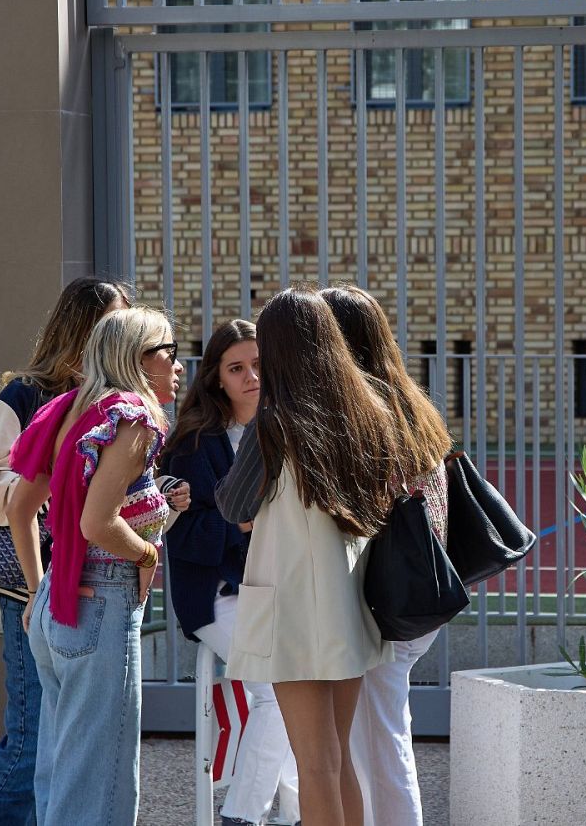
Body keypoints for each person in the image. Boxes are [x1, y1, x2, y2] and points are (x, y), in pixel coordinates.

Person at [216, 287, 403, 826]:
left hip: (291, 606)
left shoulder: (273, 423)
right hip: (349, 601)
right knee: (338, 759)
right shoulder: (371, 411)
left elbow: (231, 505)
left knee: (314, 765)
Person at [0, 276, 132, 826]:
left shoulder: (109, 400)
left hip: (83, 584)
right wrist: (56, 488)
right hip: (31, 589)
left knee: (66, 747)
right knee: (33, 741)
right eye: (113, 322)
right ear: (84, 328)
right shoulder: (27, 393)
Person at [6, 307, 187, 826]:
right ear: (137, 358)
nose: (178, 365)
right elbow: (97, 523)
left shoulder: (70, 410)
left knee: (63, 772)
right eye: (168, 352)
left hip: (58, 604)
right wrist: (148, 554)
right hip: (100, 602)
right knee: (98, 781)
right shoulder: (133, 417)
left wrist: (38, 591)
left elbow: (20, 509)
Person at [158, 319, 300, 826]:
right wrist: (239, 523)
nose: (251, 377)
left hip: (277, 589)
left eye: (259, 365)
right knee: (277, 691)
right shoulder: (194, 443)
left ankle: (297, 813)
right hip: (216, 594)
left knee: (297, 690)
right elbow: (181, 534)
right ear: (217, 377)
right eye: (236, 368)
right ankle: (241, 815)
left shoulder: (287, 430)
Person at [320, 285, 451, 826]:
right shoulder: (409, 402)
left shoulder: (363, 410)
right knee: (376, 737)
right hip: (416, 591)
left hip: (382, 601)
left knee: (378, 744)